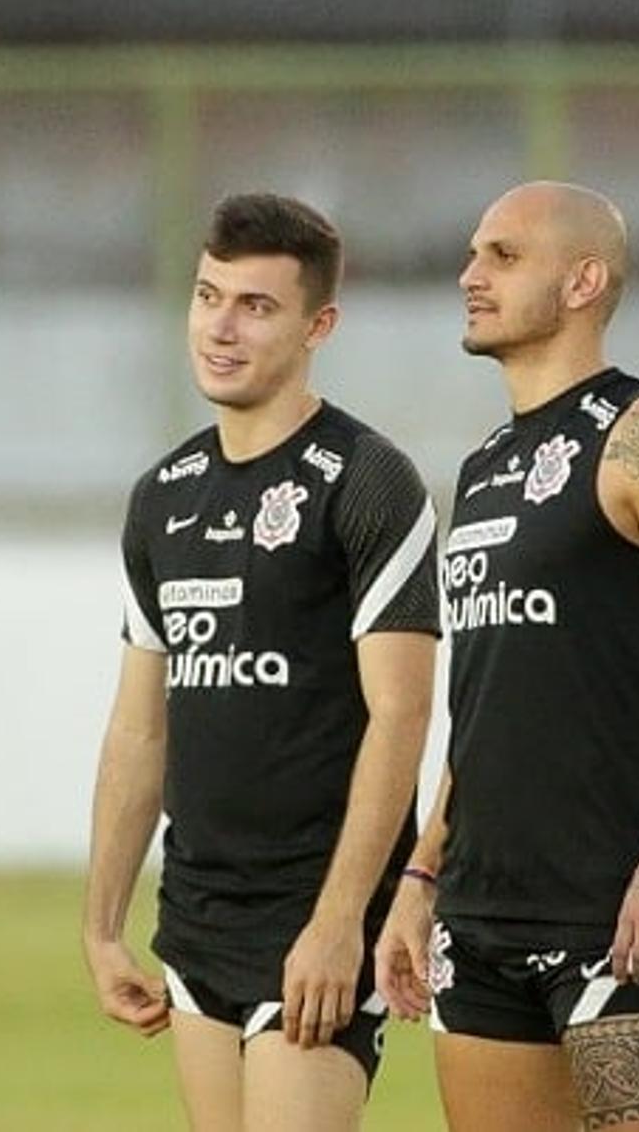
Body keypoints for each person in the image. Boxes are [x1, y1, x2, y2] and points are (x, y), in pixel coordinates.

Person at [374, 182, 639, 1131]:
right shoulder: (480, 469)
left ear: (584, 280)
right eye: (475, 254)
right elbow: (484, 708)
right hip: (475, 918)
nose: (471, 276)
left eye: (504, 257)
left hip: (616, 911)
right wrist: (422, 875)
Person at [83, 192, 442, 1131]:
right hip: (198, 913)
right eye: (208, 297)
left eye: (256, 305)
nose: (221, 327)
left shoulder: (368, 481)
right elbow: (139, 725)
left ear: (318, 324)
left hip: (317, 911)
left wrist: (338, 923)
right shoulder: (161, 497)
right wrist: (101, 923)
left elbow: (402, 715)